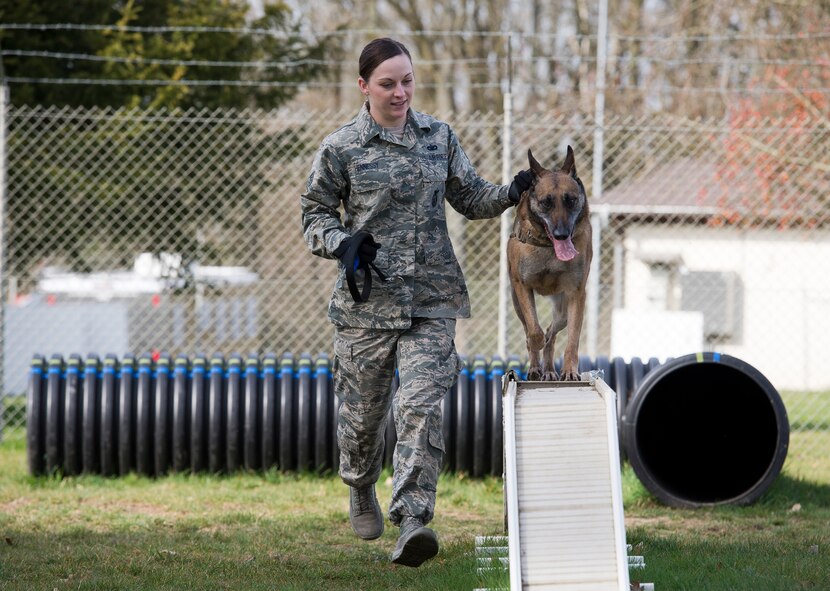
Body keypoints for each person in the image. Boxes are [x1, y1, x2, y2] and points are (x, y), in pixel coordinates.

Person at [300, 37, 533, 568]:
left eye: (406, 80)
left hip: (432, 299)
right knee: (362, 424)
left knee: (420, 407)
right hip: (366, 309)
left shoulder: (439, 137)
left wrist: (511, 192)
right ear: (364, 87)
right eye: (387, 83)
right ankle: (361, 485)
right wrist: (344, 243)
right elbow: (314, 216)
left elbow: (469, 197)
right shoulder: (341, 148)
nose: (400, 92)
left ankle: (413, 520)